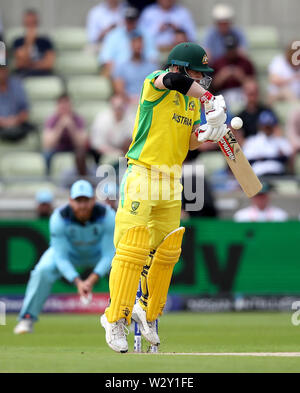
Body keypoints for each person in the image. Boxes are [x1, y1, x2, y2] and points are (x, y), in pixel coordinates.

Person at [100, 42, 230, 353]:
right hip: (142, 174)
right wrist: (210, 99)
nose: (201, 79)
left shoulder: (190, 104)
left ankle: (146, 311)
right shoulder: (156, 83)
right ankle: (114, 318)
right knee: (132, 249)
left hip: (172, 180)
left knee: (166, 252)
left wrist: (208, 132)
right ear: (181, 67)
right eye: (197, 73)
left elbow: (187, 142)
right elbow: (172, 82)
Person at [14, 180, 115, 334]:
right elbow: (60, 257)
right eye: (78, 201)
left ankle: (130, 315)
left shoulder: (108, 215)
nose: (82, 205)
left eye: (86, 200)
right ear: (70, 201)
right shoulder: (58, 218)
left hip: (98, 254)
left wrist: (90, 280)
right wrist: (78, 282)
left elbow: (109, 253)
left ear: (93, 200)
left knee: (124, 265)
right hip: (70, 255)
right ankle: (27, 318)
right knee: (42, 271)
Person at [99, 6, 157, 76]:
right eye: (128, 20)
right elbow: (106, 59)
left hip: (141, 72)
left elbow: (153, 58)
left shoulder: (146, 34)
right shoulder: (113, 35)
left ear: (137, 20)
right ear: (124, 20)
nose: (130, 22)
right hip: (119, 74)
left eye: (133, 20)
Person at [42, 93, 88, 176]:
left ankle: (82, 176)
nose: (64, 107)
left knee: (83, 154)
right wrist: (60, 126)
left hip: (73, 148)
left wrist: (71, 127)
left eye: (66, 104)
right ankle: (48, 177)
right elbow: (47, 144)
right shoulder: (51, 120)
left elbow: (81, 144)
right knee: (46, 154)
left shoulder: (78, 119)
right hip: (57, 149)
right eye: (62, 105)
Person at [211, 32, 255, 108]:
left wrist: (241, 77)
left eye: (232, 49)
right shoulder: (217, 62)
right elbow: (211, 87)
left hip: (241, 93)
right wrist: (222, 76)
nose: (231, 52)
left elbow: (253, 86)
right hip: (222, 93)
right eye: (229, 49)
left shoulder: (246, 62)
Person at [243, 110, 292, 177]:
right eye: (265, 126)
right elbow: (248, 159)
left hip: (278, 175)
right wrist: (274, 155)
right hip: (259, 175)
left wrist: (263, 157)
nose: (267, 128)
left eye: (269, 126)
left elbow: (287, 156)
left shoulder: (280, 141)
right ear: (260, 125)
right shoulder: (252, 141)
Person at [112, 33, 158, 104]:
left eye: (140, 42)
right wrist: (131, 99)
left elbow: (156, 88)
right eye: (135, 42)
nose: (138, 45)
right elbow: (119, 89)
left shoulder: (152, 67)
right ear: (130, 45)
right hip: (127, 102)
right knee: (117, 101)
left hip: (147, 102)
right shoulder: (122, 66)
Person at [90, 95, 135, 162]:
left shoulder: (131, 118)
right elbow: (97, 145)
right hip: (104, 155)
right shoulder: (102, 119)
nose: (118, 111)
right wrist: (117, 153)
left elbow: (133, 140)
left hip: (126, 154)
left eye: (120, 107)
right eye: (116, 107)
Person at [12, 9, 55, 77]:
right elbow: (21, 64)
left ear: (37, 24)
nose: (31, 27)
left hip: (43, 73)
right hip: (24, 73)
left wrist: (32, 65)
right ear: (24, 24)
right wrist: (29, 42)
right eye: (28, 24)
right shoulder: (18, 41)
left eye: (33, 23)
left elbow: (49, 64)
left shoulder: (46, 41)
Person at [0, 65, 35, 141]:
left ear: (6, 70)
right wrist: (4, 122)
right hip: (1, 126)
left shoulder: (17, 85)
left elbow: (25, 112)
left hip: (17, 124)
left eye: (3, 69)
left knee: (30, 129)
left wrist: (15, 120)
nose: (1, 73)